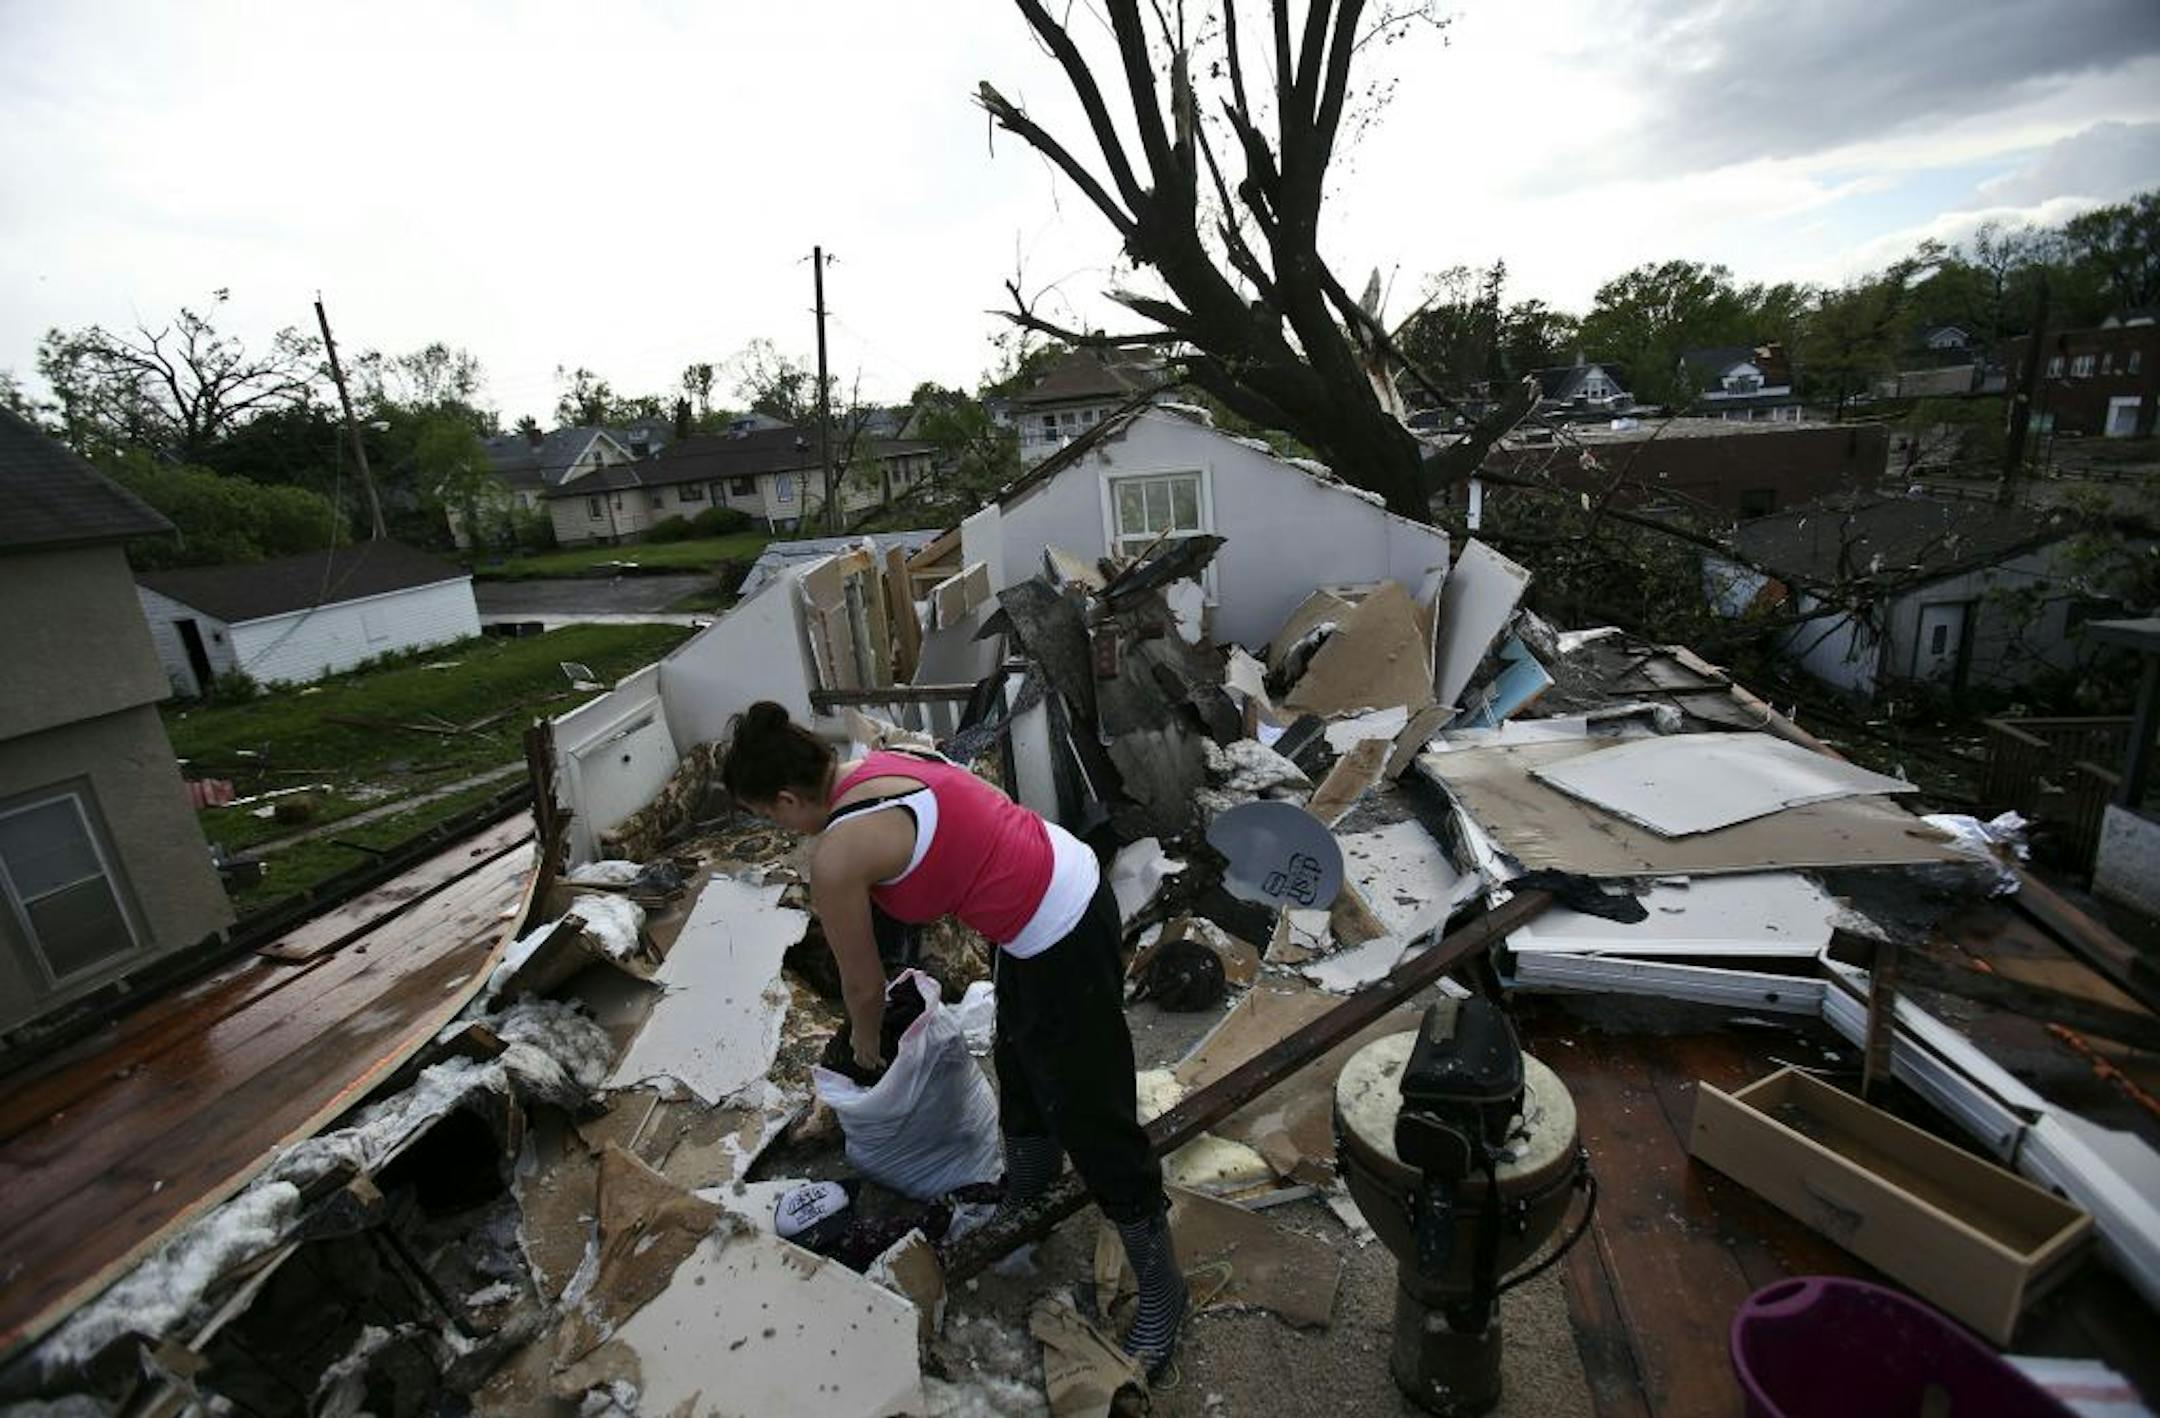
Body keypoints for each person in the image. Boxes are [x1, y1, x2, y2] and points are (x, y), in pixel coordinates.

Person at [720, 701, 1187, 1371]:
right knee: (1021, 1056)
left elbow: (863, 989)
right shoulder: (883, 761)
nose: (776, 829)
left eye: (770, 816)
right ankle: (1030, 1192)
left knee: (1090, 1110)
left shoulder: (838, 854)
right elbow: (982, 806)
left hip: (1061, 923)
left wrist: (869, 1045)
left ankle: (1164, 1289)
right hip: (1047, 887)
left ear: (790, 797)